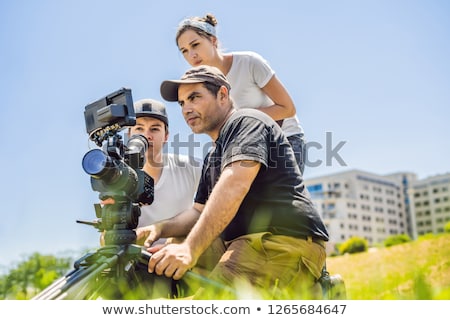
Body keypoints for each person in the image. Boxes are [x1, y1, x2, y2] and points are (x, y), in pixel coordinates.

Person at [142, 65, 329, 299]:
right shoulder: (212, 155)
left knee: (208, 300)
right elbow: (198, 213)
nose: (187, 109)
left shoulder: (247, 121)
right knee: (163, 255)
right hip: (239, 241)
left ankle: (315, 291)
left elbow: (235, 183)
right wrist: (157, 228)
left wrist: (190, 250)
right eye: (182, 103)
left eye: (194, 97)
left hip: (280, 239)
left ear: (222, 95)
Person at [174, 13, 307, 173]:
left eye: (195, 45)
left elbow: (288, 108)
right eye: (184, 51)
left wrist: (241, 120)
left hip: (285, 140)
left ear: (213, 40)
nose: (191, 55)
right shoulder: (202, 85)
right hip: (247, 149)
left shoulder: (249, 62)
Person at [100, 98, 202, 247]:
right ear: (129, 135)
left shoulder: (190, 167)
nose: (146, 136)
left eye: (155, 129)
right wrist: (110, 223)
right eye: (139, 129)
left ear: (166, 136)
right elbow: (105, 242)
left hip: (182, 258)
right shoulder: (118, 176)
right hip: (137, 264)